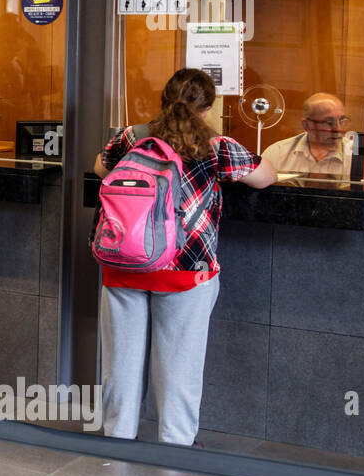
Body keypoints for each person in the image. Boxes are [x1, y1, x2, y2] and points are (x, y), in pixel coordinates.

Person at [93, 67, 276, 446]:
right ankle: (175, 444)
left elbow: (100, 168)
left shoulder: (132, 136)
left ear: (163, 100)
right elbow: (265, 176)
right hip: (185, 269)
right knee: (179, 366)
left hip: (124, 262)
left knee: (120, 363)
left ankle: (118, 435)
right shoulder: (217, 146)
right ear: (207, 109)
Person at [261, 92, 354, 180]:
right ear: (306, 125)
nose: (338, 129)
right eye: (328, 122)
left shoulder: (357, 155)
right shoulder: (277, 154)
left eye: (342, 121)